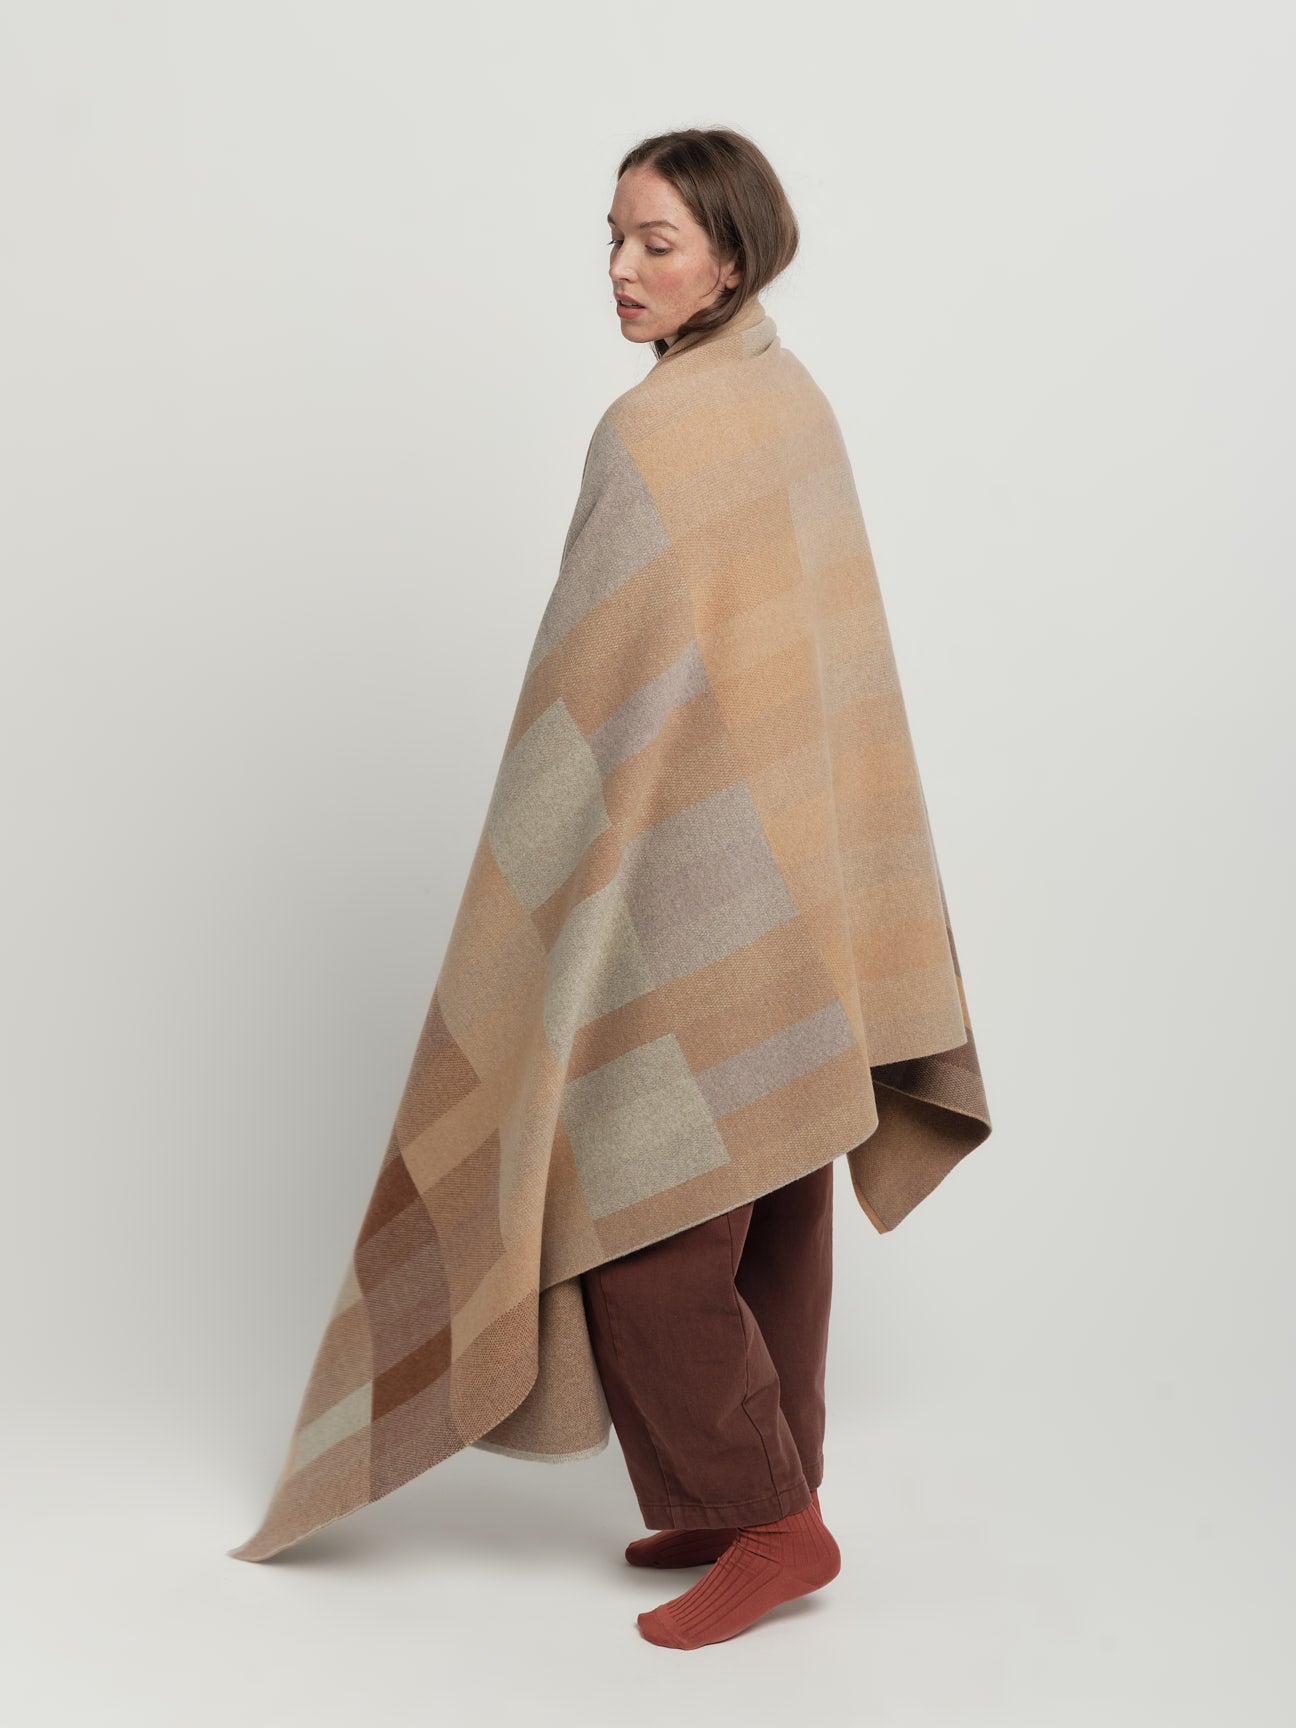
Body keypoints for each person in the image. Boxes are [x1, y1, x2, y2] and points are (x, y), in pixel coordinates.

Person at [227, 127, 991, 1659]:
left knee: (639, 1218)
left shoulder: (659, 433)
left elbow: (597, 700)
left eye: (658, 244)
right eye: (615, 239)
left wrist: (550, 864)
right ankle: (752, 1493)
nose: (624, 272)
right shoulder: (789, 401)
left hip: (696, 893)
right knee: (769, 1198)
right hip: (786, 898)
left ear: (732, 255)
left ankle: (767, 1520)